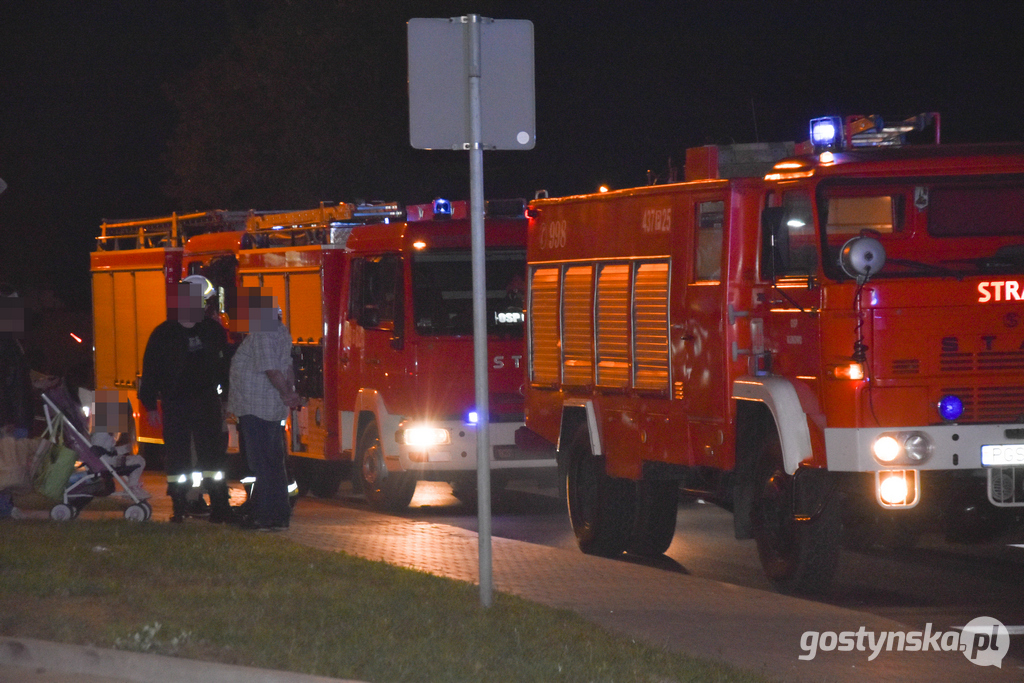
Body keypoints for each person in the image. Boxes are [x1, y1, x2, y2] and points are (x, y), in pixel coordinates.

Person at [139, 276, 230, 523]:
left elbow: (224, 367)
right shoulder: (164, 334)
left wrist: (225, 399)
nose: (201, 307)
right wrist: (150, 405)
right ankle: (179, 505)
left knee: (212, 455)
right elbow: (151, 371)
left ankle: (220, 504)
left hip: (206, 400)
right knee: (177, 456)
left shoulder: (213, 331)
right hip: (175, 402)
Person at [227, 288, 299, 531]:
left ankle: (266, 516)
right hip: (268, 408)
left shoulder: (263, 332)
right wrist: (288, 392)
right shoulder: (281, 331)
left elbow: (271, 370)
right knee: (273, 462)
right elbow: (287, 367)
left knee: (263, 463)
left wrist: (286, 393)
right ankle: (278, 513)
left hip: (257, 407)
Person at [90, 389, 150, 500]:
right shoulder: (102, 432)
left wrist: (126, 448)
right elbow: (99, 451)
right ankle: (132, 487)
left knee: (137, 460)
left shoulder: (103, 431)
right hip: (107, 463)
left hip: (107, 460)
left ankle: (133, 486)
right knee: (139, 461)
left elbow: (108, 450)